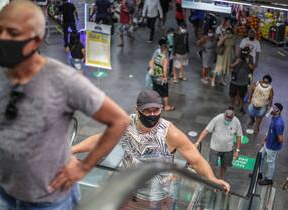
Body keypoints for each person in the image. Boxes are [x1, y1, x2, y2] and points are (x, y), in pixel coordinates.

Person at [0, 1, 129, 210]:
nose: (3, 38)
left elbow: (119, 120)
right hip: (3, 192)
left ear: (36, 40)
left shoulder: (64, 80)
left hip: (50, 201)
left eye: (13, 33)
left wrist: (83, 168)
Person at [72, 90, 230, 209]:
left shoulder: (170, 133)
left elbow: (195, 160)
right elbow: (101, 139)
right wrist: (73, 150)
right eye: (147, 110)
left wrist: (212, 179)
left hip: (155, 199)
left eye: (156, 110)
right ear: (137, 110)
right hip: (126, 191)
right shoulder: (127, 124)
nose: (152, 114)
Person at [195, 107, 242, 178]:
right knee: (213, 166)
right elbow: (206, 130)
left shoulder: (236, 122)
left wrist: (237, 150)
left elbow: (239, 136)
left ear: (233, 116)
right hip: (215, 148)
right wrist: (198, 142)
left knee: (224, 166)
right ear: (224, 114)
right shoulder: (217, 119)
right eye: (226, 118)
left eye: (230, 119)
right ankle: (214, 180)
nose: (228, 120)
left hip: (228, 149)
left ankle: (221, 179)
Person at [258, 103, 285, 185]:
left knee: (270, 162)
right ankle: (260, 173)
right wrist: (265, 140)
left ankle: (269, 179)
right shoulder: (274, 118)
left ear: (278, 111)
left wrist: (278, 140)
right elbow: (270, 130)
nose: (271, 109)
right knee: (261, 157)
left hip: (272, 147)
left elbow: (280, 139)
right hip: (267, 143)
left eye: (274, 108)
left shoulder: (278, 123)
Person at [229, 46, 255, 114]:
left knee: (242, 96)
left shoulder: (250, 58)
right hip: (234, 80)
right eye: (244, 51)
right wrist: (236, 62)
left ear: (249, 52)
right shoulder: (236, 57)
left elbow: (252, 68)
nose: (245, 53)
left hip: (244, 82)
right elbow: (230, 66)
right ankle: (232, 106)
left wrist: (248, 62)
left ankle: (241, 107)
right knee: (232, 94)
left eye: (247, 52)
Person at [149, 42, 174, 111]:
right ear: (166, 50)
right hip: (161, 78)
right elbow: (165, 70)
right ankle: (167, 106)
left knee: (156, 92)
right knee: (165, 93)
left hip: (155, 77)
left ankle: (157, 106)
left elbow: (152, 63)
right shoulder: (165, 59)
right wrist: (165, 78)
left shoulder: (158, 56)